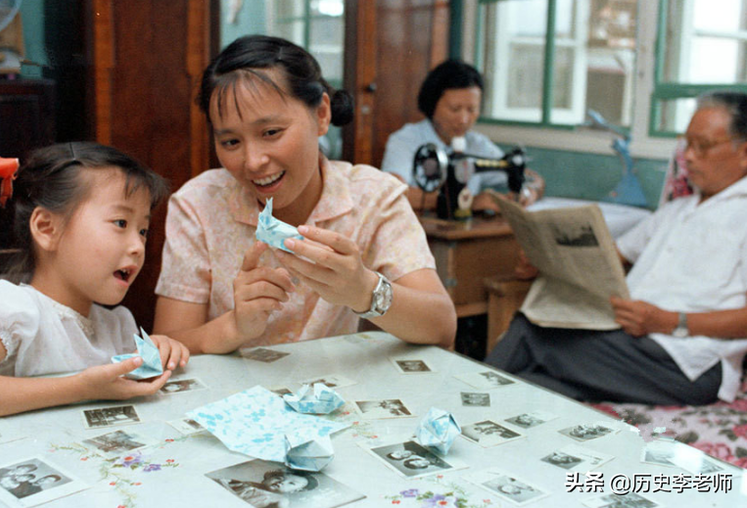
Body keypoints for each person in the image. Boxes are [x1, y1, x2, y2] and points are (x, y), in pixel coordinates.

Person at [153, 35, 456, 353]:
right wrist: (234, 327)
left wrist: (364, 290)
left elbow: (442, 327)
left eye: (271, 133)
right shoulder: (198, 205)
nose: (253, 161)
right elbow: (170, 344)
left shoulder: (373, 197)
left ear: (321, 114)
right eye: (231, 142)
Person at [486, 91, 747, 406]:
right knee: (529, 386)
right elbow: (607, 257)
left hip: (691, 361)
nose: (688, 157)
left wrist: (670, 321)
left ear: (744, 152)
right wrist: (545, 260)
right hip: (627, 343)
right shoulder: (677, 210)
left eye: (702, 146)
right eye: (686, 145)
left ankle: (453, 406)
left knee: (535, 331)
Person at [0, 142, 190, 421]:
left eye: (143, 230)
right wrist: (78, 388)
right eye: (121, 223)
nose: (138, 246)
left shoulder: (117, 326)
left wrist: (159, 351)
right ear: (46, 228)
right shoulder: (16, 312)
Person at [381, 59, 545, 211]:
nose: (464, 119)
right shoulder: (405, 140)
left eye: (471, 109)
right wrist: (469, 202)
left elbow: (532, 178)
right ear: (432, 105)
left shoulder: (477, 144)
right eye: (455, 109)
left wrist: (530, 192)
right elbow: (394, 194)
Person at [215, 469, 318, 508]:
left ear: (295, 491)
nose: (281, 482)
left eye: (291, 483)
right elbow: (224, 483)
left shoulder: (280, 500)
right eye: (278, 478)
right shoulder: (250, 484)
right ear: (268, 477)